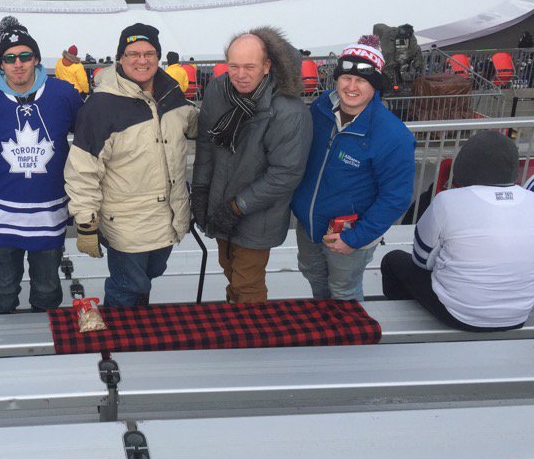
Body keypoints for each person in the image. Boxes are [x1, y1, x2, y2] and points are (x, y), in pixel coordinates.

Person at [65, 24, 198, 306]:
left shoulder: (171, 97)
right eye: (133, 53)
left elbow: (195, 125)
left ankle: (137, 332)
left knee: (149, 277)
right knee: (128, 288)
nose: (142, 60)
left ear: (158, 57)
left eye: (149, 53)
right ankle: (120, 345)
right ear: (120, 59)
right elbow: (82, 169)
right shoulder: (100, 107)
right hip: (127, 223)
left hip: (168, 218)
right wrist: (86, 221)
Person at [0, 17, 82, 313]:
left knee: (48, 288)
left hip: (48, 216)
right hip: (2, 217)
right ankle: (6, 351)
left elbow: (91, 139)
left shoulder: (64, 95)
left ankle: (47, 350)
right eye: (9, 58)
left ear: (36, 59)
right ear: (1, 64)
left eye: (25, 56)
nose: (18, 64)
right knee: (2, 290)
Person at [191, 27, 311, 304]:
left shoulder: (288, 111)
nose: (241, 75)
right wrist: (200, 191)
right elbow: (207, 144)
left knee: (248, 281)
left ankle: (250, 335)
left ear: (267, 66)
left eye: (249, 67)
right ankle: (236, 316)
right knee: (230, 268)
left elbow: (285, 173)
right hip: (220, 202)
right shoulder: (218, 90)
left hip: (257, 213)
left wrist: (237, 207)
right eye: (234, 66)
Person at [291, 35, 415, 302]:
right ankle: (325, 330)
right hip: (309, 225)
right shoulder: (321, 108)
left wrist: (356, 238)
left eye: (361, 80)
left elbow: (397, 197)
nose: (351, 86)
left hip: (349, 235)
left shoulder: (393, 135)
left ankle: (348, 341)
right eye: (346, 78)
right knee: (314, 279)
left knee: (343, 291)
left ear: (375, 86)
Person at [381, 130, 534, 331]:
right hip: (518, 316)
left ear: (463, 164)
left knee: (392, 260)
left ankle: (403, 321)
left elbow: (421, 260)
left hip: (459, 315)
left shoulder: (447, 201)